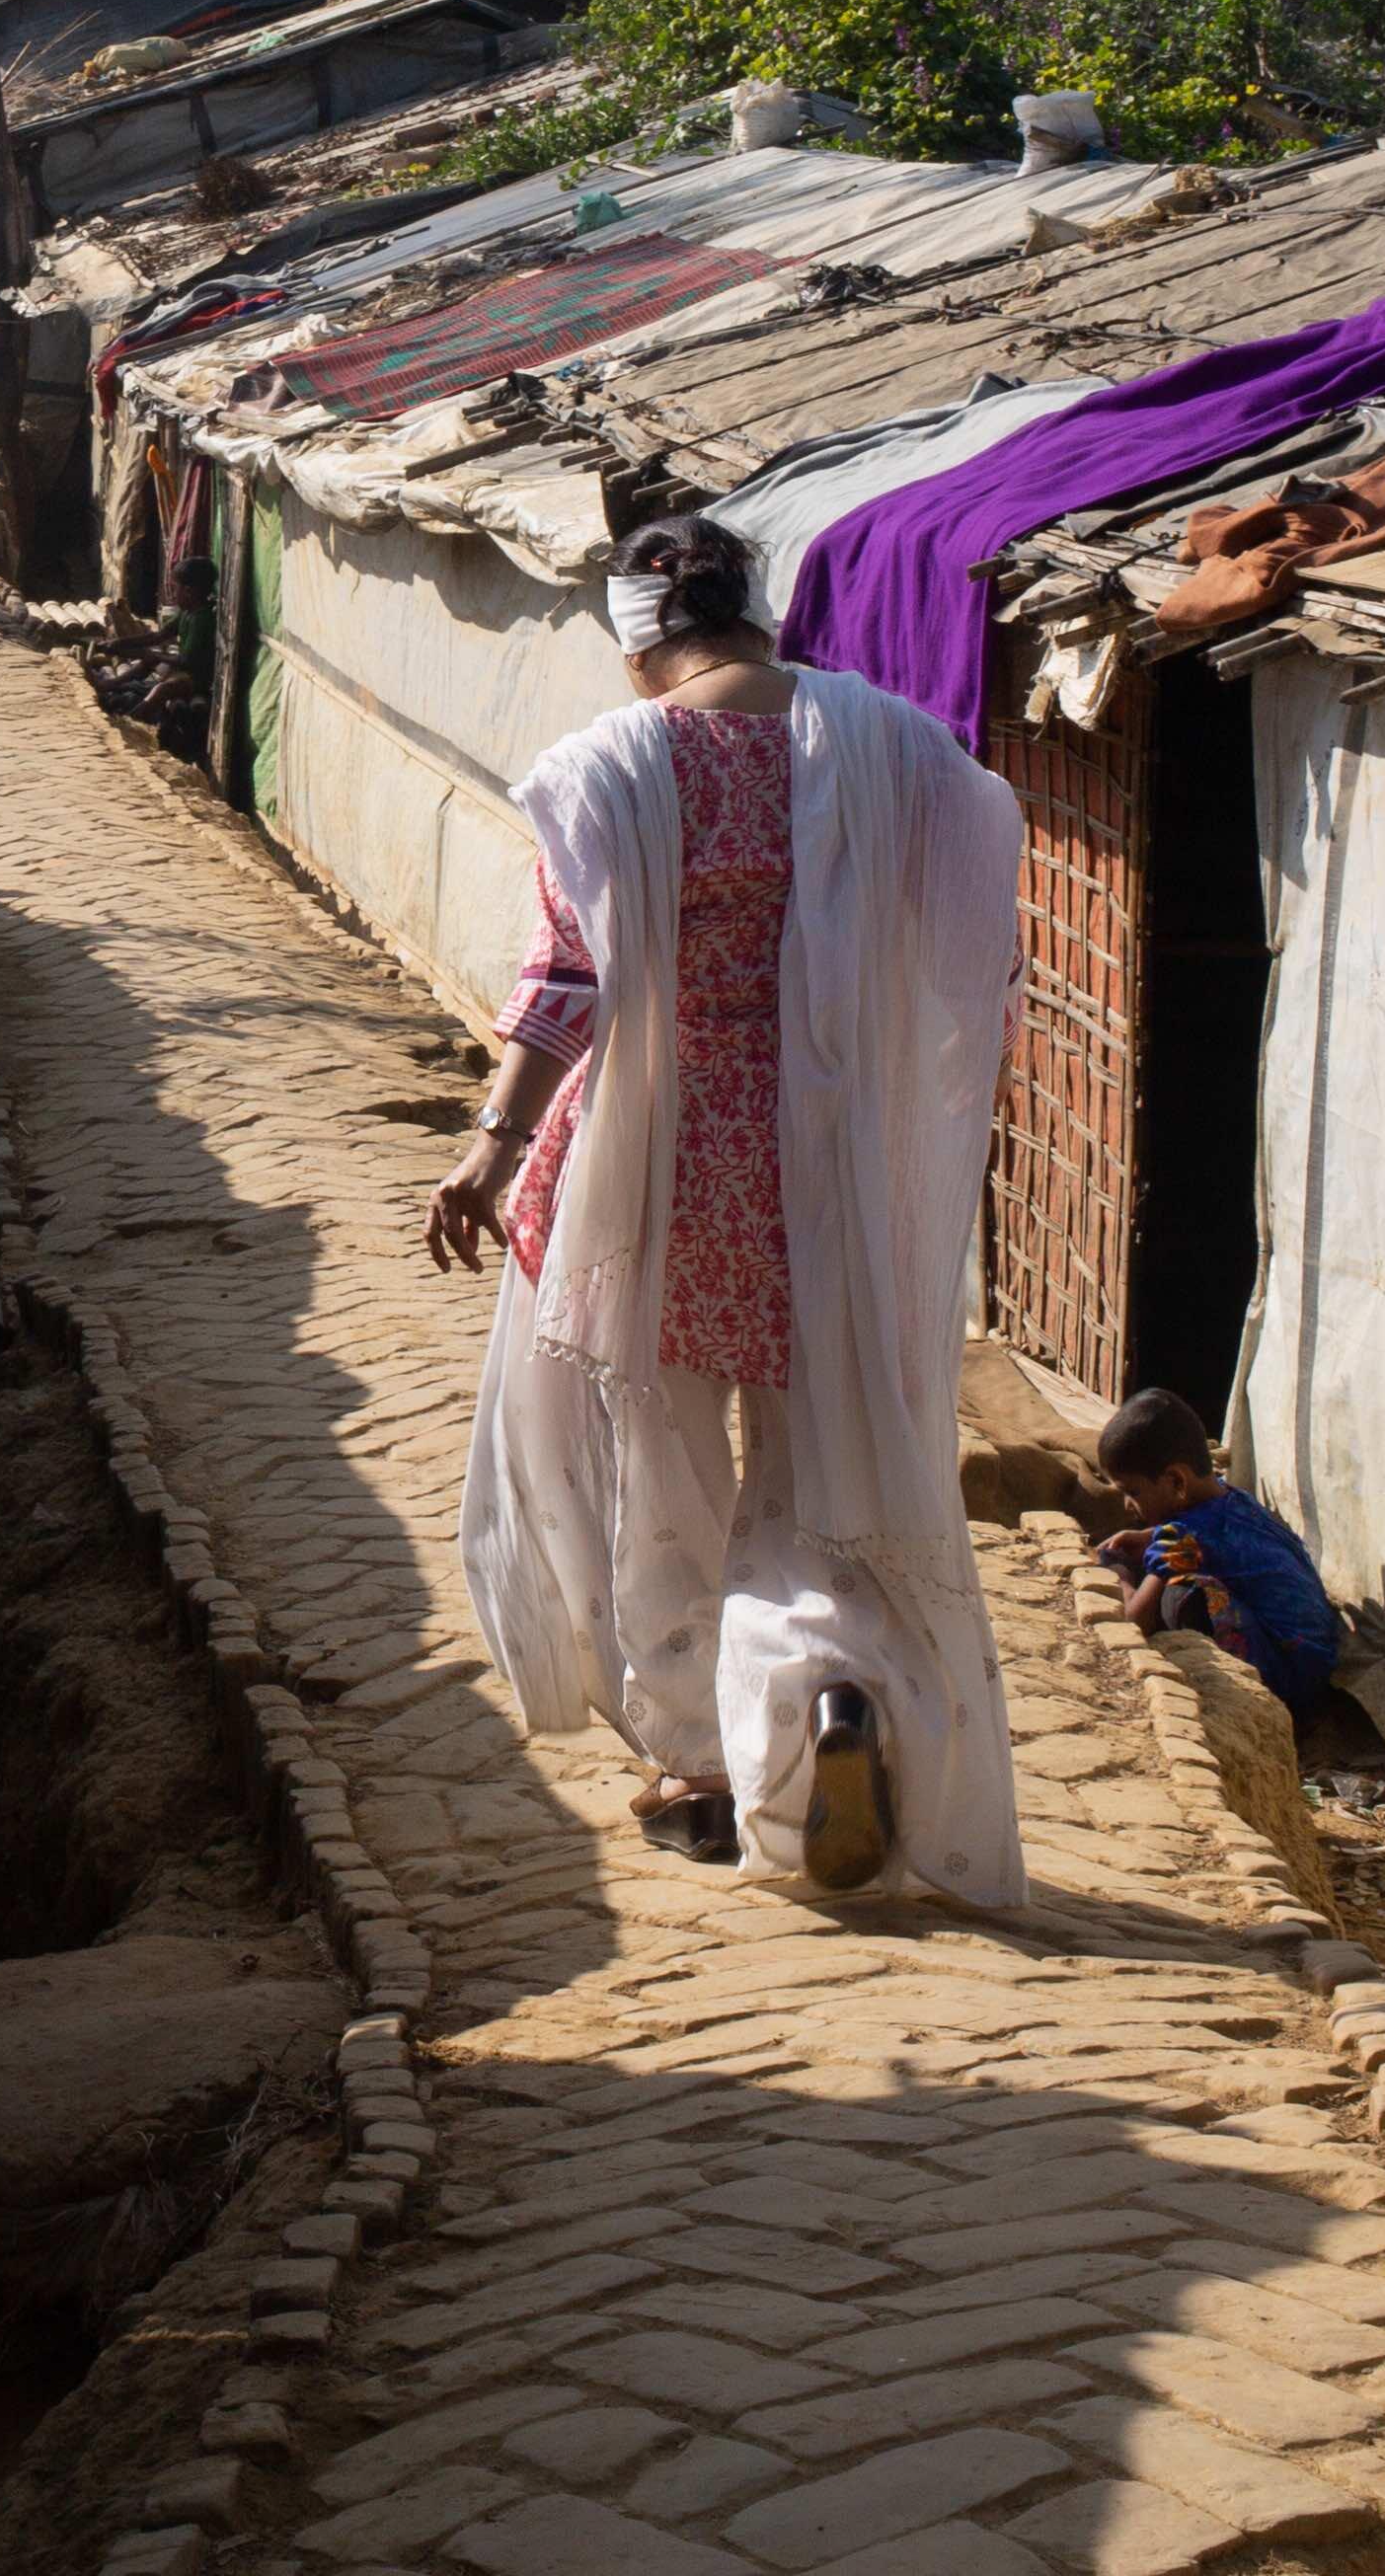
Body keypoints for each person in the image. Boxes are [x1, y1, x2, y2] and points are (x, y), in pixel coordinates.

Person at [424, 513, 1029, 1902]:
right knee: (821, 1468)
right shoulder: (890, 746)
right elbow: (976, 906)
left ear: (641, 643)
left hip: (655, 1173)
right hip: (827, 1169)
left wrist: (491, 1146)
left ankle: (700, 1767)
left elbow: (564, 986)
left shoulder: (611, 769)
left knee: (669, 1478)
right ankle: (837, 1693)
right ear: (757, 616)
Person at [1092, 1390, 1342, 1720]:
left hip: (1288, 1690)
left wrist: (1120, 1577)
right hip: (1316, 1665)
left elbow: (1132, 1624)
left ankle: (1233, 1705)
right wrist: (1148, 1537)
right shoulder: (1236, 1499)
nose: (1128, 1506)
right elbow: (1216, 1536)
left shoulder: (1181, 1539)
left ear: (1176, 1481)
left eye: (1132, 1492)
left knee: (1180, 1595)